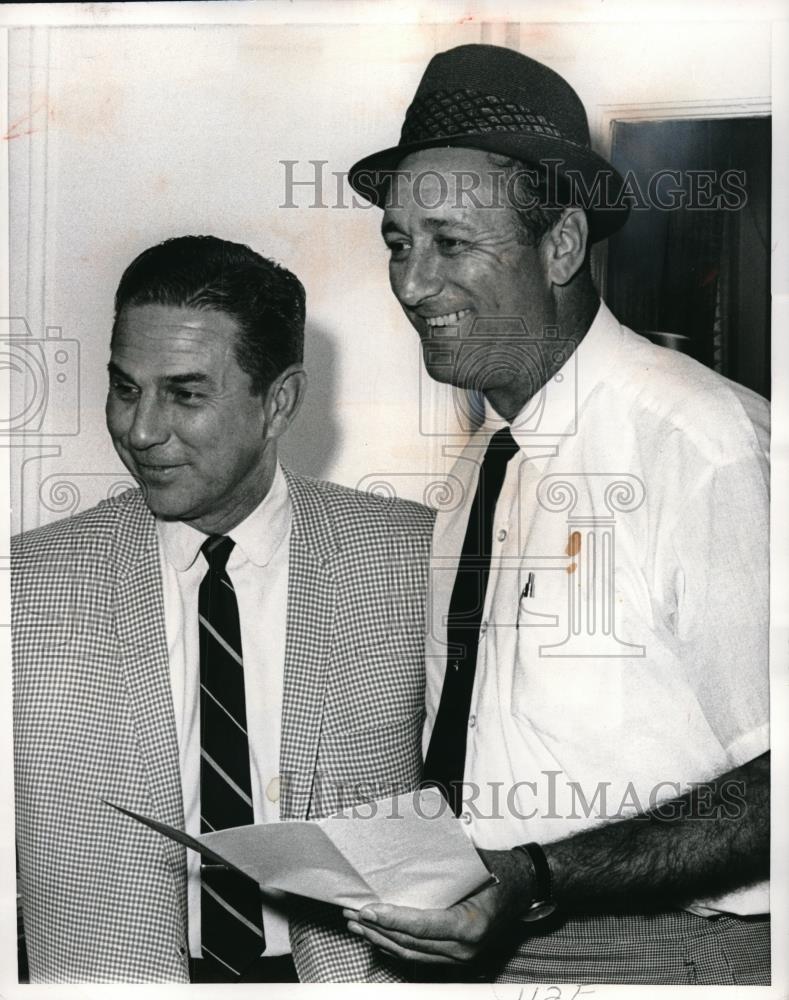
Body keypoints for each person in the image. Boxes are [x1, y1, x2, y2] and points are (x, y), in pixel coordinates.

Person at [343, 43, 770, 985]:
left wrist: (536, 879)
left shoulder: (702, 446)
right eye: (398, 244)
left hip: (666, 959)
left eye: (451, 243)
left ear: (563, 244)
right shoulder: (475, 472)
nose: (411, 286)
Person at [12, 235, 435, 984]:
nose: (140, 431)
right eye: (124, 388)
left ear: (279, 402)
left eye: (185, 393)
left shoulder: (415, 559)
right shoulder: (24, 584)